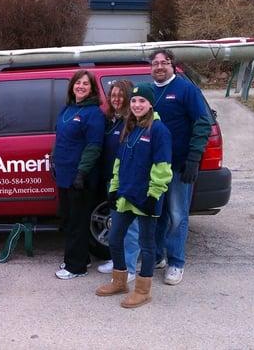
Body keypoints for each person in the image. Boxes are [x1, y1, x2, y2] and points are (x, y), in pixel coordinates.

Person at [95, 83, 172, 308]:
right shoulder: (131, 127)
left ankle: (142, 290)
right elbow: (119, 162)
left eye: (142, 101)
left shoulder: (159, 130)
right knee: (116, 237)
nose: (137, 105)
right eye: (134, 101)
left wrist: (153, 195)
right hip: (126, 194)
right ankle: (120, 281)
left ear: (150, 104)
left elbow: (163, 167)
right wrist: (114, 188)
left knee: (146, 244)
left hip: (146, 197)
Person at [150, 49, 212, 285]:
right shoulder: (148, 91)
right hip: (155, 168)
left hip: (179, 166)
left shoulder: (186, 89)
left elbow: (202, 122)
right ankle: (157, 256)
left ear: (172, 65)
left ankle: (176, 262)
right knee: (157, 214)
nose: (159, 67)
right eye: (155, 63)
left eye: (164, 62)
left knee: (177, 215)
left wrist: (194, 158)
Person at [52, 70, 105, 280]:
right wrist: (53, 158)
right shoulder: (69, 108)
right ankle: (80, 256)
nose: (81, 86)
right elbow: (61, 137)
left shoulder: (94, 113)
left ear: (92, 88)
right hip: (64, 175)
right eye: (78, 83)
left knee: (78, 221)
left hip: (79, 177)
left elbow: (94, 146)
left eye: (85, 83)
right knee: (68, 218)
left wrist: (82, 172)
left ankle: (77, 267)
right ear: (72, 86)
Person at [97, 80, 140, 284]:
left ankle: (130, 267)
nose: (116, 99)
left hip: (127, 180)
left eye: (120, 95)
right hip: (111, 179)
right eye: (113, 95)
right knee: (117, 224)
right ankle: (117, 261)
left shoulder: (132, 122)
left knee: (130, 226)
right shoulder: (112, 119)